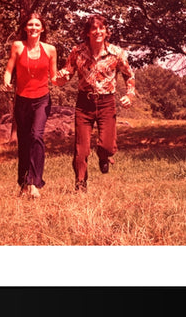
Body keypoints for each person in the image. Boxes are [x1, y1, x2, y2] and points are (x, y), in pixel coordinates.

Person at [55, 14, 135, 192]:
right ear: (88, 32)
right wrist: (58, 78)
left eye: (101, 28)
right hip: (84, 103)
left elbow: (129, 75)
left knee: (106, 145)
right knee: (81, 149)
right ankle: (80, 183)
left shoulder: (117, 53)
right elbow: (67, 73)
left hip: (107, 103)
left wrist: (129, 95)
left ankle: (104, 156)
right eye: (94, 28)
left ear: (107, 32)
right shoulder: (77, 52)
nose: (98, 32)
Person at [3, 12, 57, 198]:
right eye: (30, 25)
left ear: (42, 29)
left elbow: (54, 76)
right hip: (22, 100)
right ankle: (24, 182)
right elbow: (9, 70)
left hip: (42, 99)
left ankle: (35, 183)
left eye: (37, 25)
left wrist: (63, 77)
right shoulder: (18, 46)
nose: (33, 28)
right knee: (24, 141)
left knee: (36, 136)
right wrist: (6, 80)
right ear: (25, 28)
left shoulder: (50, 49)